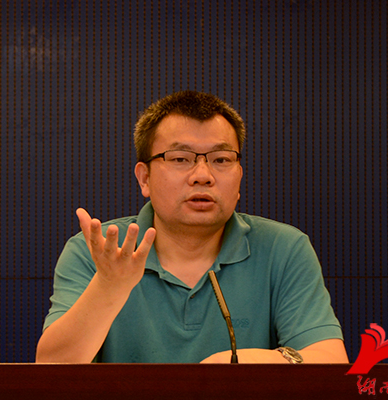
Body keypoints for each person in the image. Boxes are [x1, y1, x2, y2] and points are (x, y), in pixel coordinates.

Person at [36, 91, 348, 364]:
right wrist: (108, 287)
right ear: (144, 178)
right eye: (180, 159)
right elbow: (51, 370)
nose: (203, 175)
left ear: (239, 175)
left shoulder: (283, 248)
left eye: (221, 160)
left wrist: (243, 363)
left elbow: (330, 360)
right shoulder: (99, 251)